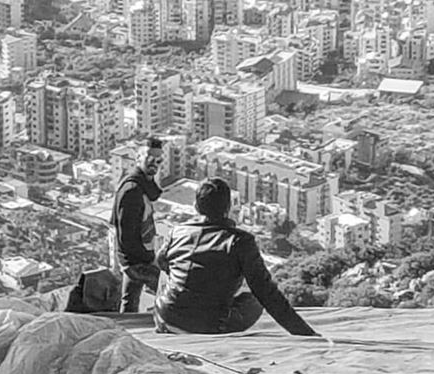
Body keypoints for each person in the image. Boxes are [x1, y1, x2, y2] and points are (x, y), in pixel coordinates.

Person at [154, 177, 319, 336]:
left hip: (166, 317)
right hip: (208, 325)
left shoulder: (177, 232)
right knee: (253, 300)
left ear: (196, 206)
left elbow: (162, 263)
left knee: (169, 279)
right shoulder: (240, 241)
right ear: (229, 207)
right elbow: (266, 292)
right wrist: (304, 332)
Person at [111, 138, 164, 313]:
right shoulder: (133, 190)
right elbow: (126, 235)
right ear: (138, 157)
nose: (154, 163)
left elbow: (154, 192)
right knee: (171, 287)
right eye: (149, 157)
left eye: (159, 160)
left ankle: (125, 330)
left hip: (135, 257)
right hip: (136, 260)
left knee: (129, 302)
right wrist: (148, 260)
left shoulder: (141, 186)